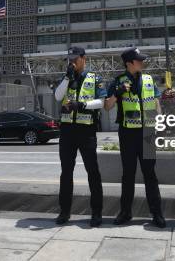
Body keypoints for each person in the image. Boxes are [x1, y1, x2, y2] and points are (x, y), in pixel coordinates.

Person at [104, 47, 166, 228]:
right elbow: (107, 106)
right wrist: (118, 92)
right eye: (139, 60)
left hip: (147, 132)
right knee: (128, 174)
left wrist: (159, 123)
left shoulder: (148, 79)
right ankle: (125, 212)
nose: (142, 62)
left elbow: (156, 103)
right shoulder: (117, 81)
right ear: (129, 63)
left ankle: (157, 214)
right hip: (128, 134)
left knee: (150, 175)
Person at [53, 47, 104, 227]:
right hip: (67, 131)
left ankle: (96, 212)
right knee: (66, 172)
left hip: (87, 131)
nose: (72, 62)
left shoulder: (95, 78)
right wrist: (67, 77)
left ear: (83, 59)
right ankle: (64, 211)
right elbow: (58, 96)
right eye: (70, 59)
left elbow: (102, 102)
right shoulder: (67, 77)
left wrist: (82, 105)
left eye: (75, 59)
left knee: (93, 172)